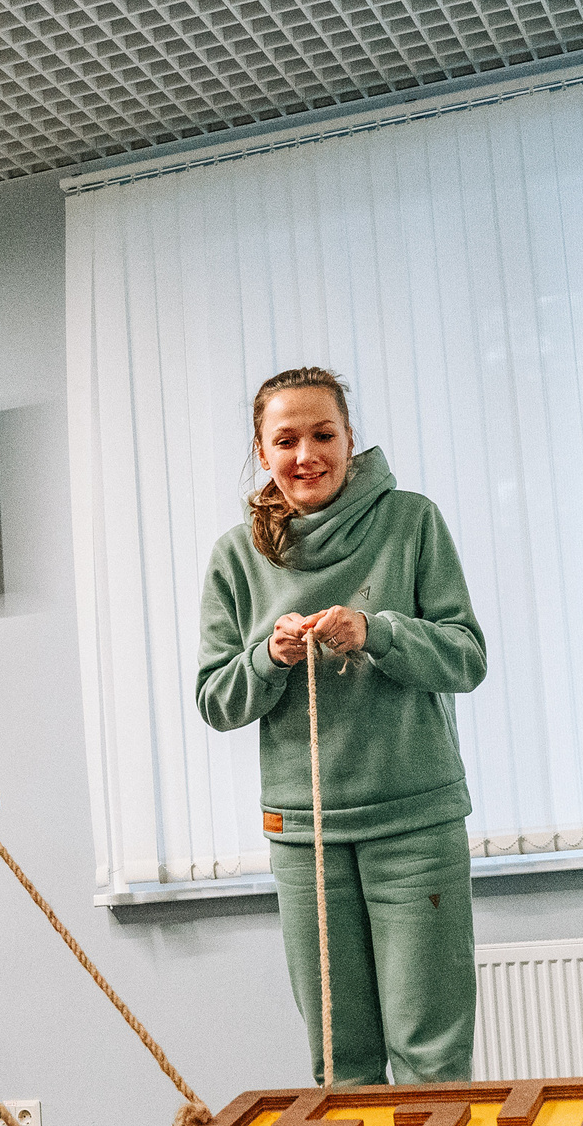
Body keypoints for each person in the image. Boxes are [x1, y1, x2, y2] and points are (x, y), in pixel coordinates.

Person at [196, 367, 488, 1087]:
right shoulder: (238, 556)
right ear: (262, 453)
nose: (306, 455)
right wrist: (268, 658)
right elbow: (216, 699)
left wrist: (379, 633)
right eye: (286, 440)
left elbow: (466, 657)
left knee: (432, 1059)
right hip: (307, 836)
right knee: (340, 1062)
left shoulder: (412, 521)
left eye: (323, 435)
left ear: (350, 439)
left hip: (416, 824)